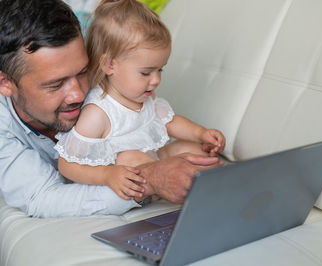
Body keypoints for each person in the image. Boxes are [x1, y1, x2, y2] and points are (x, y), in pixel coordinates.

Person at [0, 0, 220, 218]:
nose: (78, 94)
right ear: (5, 83)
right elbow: (43, 197)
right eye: (55, 84)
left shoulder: (110, 74)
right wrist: (148, 181)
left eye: (83, 72)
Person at [54, 0, 226, 201]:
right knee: (128, 157)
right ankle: (175, 187)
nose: (156, 80)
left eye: (160, 69)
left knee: (196, 152)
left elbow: (171, 122)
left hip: (155, 158)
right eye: (146, 72)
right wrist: (107, 175)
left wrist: (201, 134)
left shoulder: (144, 96)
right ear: (109, 64)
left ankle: (202, 186)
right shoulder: (98, 113)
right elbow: (66, 165)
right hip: (125, 177)